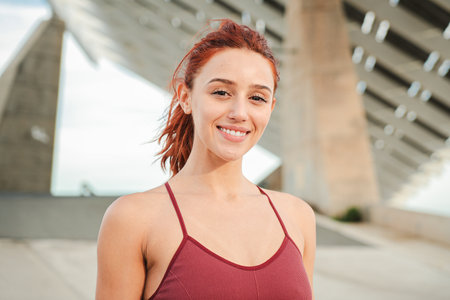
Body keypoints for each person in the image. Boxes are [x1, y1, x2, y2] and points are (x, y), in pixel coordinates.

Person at [96, 19, 316, 300]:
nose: (239, 112)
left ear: (271, 107)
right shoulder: (133, 219)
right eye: (221, 92)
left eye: (257, 98)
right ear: (185, 97)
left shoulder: (297, 216)